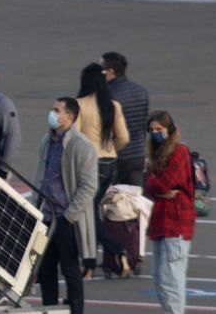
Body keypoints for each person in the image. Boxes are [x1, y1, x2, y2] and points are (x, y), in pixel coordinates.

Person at [33, 97, 97, 314]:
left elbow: (89, 186)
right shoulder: (46, 140)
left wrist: (69, 216)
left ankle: (76, 310)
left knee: (70, 270)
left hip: (65, 218)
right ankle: (50, 309)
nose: (52, 113)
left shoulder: (81, 145)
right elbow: (41, 176)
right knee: (45, 270)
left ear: (69, 117)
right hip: (46, 216)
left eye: (56, 110)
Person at [75, 62, 131, 278]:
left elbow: (75, 138)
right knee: (91, 210)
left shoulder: (79, 105)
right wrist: (110, 149)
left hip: (90, 163)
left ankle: (105, 254)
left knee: (86, 212)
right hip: (109, 161)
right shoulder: (113, 105)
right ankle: (97, 259)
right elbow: (124, 136)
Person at [145, 110, 195, 314]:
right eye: (151, 130)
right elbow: (149, 185)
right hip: (160, 223)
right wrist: (157, 187)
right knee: (159, 281)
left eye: (159, 129)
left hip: (176, 224)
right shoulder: (157, 154)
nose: (155, 133)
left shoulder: (179, 151)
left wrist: (154, 184)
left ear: (169, 129)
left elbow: (164, 182)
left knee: (171, 281)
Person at [101, 52, 150, 187]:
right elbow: (143, 124)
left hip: (115, 157)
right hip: (137, 155)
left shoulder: (106, 93)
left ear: (110, 71)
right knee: (134, 200)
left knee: (110, 199)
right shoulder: (141, 91)